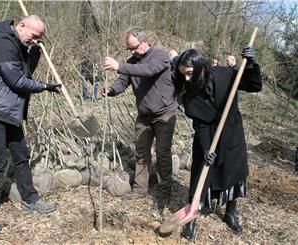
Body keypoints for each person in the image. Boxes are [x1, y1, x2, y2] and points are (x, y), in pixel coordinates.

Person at [0, 15, 60, 234]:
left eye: (39, 38)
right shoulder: (2, 41)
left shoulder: (18, 44)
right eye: (34, 36)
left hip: (7, 109)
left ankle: (30, 199)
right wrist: (45, 86)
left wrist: (34, 54)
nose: (35, 40)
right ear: (21, 25)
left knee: (20, 154)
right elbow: (16, 81)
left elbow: (24, 73)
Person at [173, 47, 261, 240]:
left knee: (234, 173)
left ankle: (230, 212)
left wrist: (251, 65)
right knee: (199, 177)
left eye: (189, 73)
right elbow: (200, 124)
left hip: (232, 134)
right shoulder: (190, 94)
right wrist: (206, 149)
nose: (187, 79)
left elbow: (254, 85)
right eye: (184, 75)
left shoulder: (226, 74)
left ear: (199, 67)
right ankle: (191, 219)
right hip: (207, 136)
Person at [101, 27, 177, 210]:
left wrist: (119, 65)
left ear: (144, 42)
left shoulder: (160, 55)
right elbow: (122, 81)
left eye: (134, 48)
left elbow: (149, 70)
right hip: (144, 116)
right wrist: (110, 90)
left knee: (163, 152)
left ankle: (165, 190)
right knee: (141, 153)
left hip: (164, 113)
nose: (132, 52)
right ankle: (140, 189)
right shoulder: (132, 62)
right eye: (129, 49)